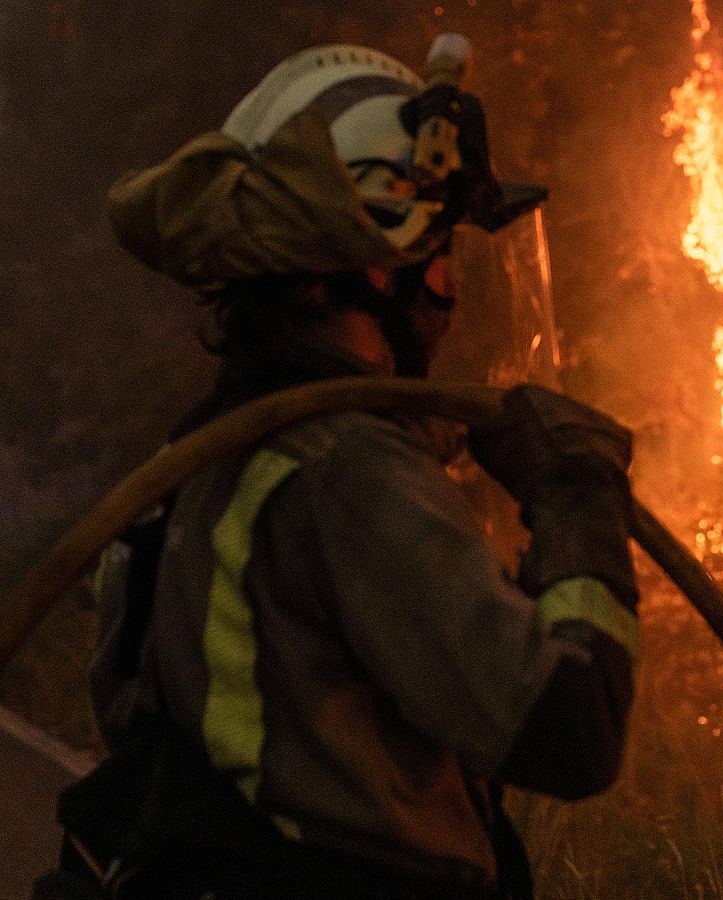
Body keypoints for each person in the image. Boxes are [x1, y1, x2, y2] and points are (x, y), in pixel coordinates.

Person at [32, 38, 637, 900]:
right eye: (443, 251)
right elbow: (570, 730)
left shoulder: (207, 456)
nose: (454, 293)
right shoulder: (346, 475)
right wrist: (577, 496)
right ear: (374, 267)